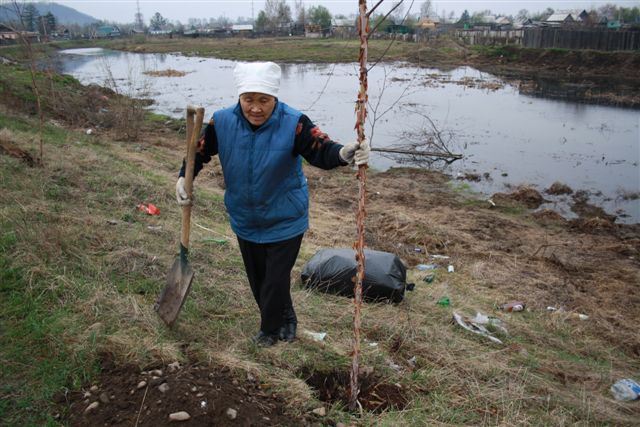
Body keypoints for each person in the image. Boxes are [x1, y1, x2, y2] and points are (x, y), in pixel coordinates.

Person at [175, 62, 369, 347]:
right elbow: (198, 153)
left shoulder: (294, 123)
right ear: (239, 97)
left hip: (285, 218)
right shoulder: (222, 122)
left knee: (274, 281)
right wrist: (183, 179)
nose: (255, 108)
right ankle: (286, 316)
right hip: (245, 217)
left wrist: (343, 152)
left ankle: (268, 332)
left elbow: (320, 151)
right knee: (259, 280)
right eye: (248, 100)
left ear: (274, 99)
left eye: (263, 101)